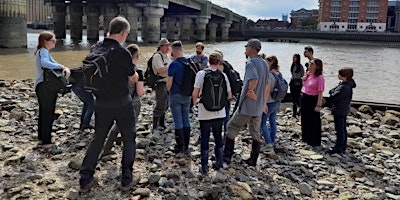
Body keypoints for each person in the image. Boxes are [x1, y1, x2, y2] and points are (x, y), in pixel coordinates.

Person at [79, 16, 138, 193]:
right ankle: (126, 180)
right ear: (123, 32)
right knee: (129, 139)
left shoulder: (96, 48)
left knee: (98, 139)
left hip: (101, 103)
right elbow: (132, 77)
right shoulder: (122, 52)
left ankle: (85, 178)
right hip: (122, 103)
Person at [223, 38, 268, 167]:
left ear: (252, 49)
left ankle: (226, 157)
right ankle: (253, 160)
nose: (245, 50)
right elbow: (266, 83)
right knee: (255, 131)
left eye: (246, 47)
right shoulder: (264, 63)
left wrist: (250, 90)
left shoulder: (251, 62)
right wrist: (263, 101)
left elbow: (254, 78)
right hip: (259, 105)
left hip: (248, 104)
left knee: (231, 127)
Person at [192, 51, 232, 174]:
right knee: (218, 137)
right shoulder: (223, 75)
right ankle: (219, 163)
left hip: (204, 112)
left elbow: (195, 92)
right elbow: (229, 95)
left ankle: (204, 167)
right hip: (219, 113)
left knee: (204, 138)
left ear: (208, 61)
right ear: (220, 62)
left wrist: (196, 101)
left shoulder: (201, 74)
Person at [102, 44, 145, 157]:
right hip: (132, 101)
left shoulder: (119, 69)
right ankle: (128, 152)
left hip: (118, 99)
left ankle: (107, 147)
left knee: (117, 124)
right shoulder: (138, 71)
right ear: (137, 56)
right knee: (130, 128)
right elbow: (140, 92)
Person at [34, 31, 71, 154]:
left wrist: (60, 66)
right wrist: (62, 67)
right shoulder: (43, 51)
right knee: (48, 115)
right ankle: (47, 143)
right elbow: (46, 64)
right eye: (53, 41)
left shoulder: (41, 52)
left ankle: (41, 138)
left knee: (43, 113)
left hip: (40, 86)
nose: (55, 43)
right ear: (45, 41)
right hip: (46, 87)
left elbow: (49, 64)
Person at [167, 41, 192, 154]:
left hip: (176, 94)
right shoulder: (190, 62)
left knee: (178, 120)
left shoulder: (173, 65)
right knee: (186, 118)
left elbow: (169, 84)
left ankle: (179, 146)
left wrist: (169, 91)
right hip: (187, 94)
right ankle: (186, 144)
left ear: (173, 51)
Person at [326, 68, 356, 154]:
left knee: (340, 129)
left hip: (340, 109)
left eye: (340, 74)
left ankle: (339, 147)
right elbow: (333, 91)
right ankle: (342, 146)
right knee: (342, 128)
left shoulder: (344, 87)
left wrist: (331, 93)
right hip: (344, 108)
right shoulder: (347, 84)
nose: (338, 76)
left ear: (345, 76)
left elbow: (334, 96)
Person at [261, 56, 282, 155]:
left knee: (262, 123)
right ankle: (272, 140)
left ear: (271, 62)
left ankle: (268, 143)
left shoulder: (269, 75)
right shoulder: (279, 73)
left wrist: (264, 103)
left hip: (269, 102)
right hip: (277, 101)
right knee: (273, 121)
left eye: (266, 62)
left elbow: (267, 89)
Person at [301, 58, 324, 147]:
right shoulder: (309, 74)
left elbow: (320, 92)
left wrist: (318, 104)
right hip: (305, 97)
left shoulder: (320, 77)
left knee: (313, 120)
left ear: (317, 66)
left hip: (313, 99)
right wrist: (304, 78)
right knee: (304, 117)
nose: (309, 65)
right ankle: (305, 137)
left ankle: (314, 140)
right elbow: (304, 81)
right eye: (309, 64)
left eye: (311, 64)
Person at [152, 38, 172, 131]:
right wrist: (171, 66)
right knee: (161, 103)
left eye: (169, 45)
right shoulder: (157, 56)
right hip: (160, 83)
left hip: (167, 82)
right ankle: (155, 125)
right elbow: (160, 70)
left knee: (166, 103)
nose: (168, 47)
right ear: (161, 47)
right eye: (166, 45)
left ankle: (162, 123)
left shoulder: (166, 56)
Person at [289, 54, 305, 118]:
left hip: (298, 83)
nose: (293, 58)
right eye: (293, 57)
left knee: (297, 97)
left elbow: (302, 75)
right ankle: (295, 112)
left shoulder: (300, 66)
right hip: (292, 82)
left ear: (297, 58)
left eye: (294, 57)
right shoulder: (292, 65)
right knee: (293, 97)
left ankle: (297, 112)